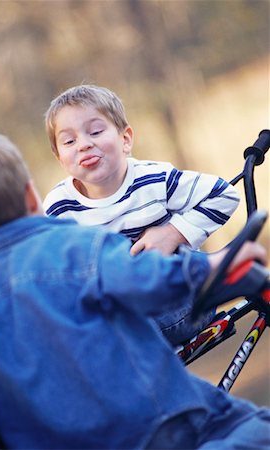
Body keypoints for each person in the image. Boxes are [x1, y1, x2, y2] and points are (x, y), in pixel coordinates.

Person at [0, 129, 269, 450]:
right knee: (248, 429)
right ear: (31, 197)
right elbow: (145, 279)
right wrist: (212, 266)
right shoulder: (74, 247)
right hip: (150, 426)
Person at [43, 84, 240, 344]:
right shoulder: (59, 208)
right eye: (69, 141)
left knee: (122, 338)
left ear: (125, 139)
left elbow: (224, 195)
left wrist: (173, 233)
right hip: (119, 314)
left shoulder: (153, 179)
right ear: (60, 158)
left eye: (96, 131)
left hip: (183, 298)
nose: (84, 144)